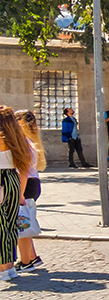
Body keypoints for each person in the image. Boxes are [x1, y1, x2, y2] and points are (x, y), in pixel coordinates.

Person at [0, 106, 37, 282]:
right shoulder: (18, 139)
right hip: (13, 180)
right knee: (9, 226)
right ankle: (9, 267)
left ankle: (3, 269)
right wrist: (20, 194)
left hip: (1, 178)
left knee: (1, 226)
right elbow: (23, 170)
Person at [13, 109, 45, 272]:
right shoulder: (29, 141)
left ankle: (26, 262)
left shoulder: (23, 143)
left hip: (25, 185)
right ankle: (32, 258)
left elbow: (23, 171)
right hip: (32, 184)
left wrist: (19, 195)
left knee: (21, 224)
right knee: (25, 222)